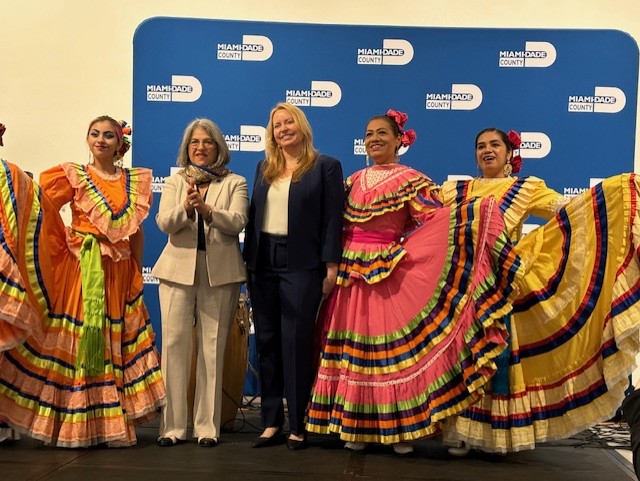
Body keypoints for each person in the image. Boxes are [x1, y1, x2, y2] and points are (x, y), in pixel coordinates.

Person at [306, 110, 524, 455]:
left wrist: (478, 216)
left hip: (387, 274)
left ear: (398, 140)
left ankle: (401, 430)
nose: (374, 139)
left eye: (381, 133)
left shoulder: (413, 180)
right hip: (350, 276)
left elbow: (436, 223)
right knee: (354, 352)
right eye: (368, 134)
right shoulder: (350, 181)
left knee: (389, 354)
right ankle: (356, 426)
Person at [439, 127, 640, 454]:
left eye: (494, 145)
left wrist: (607, 200)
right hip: (461, 281)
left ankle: (493, 432)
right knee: (462, 354)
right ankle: (461, 430)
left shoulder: (524, 188)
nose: (487, 150)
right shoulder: (455, 190)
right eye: (480, 146)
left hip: (501, 282)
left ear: (508, 154)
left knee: (496, 356)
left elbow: (565, 208)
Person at [0, 115, 165, 447]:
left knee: (111, 344)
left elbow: (136, 233)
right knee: (83, 345)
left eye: (108, 135)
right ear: (87, 139)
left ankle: (106, 423)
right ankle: (75, 423)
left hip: (117, 274)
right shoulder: (74, 175)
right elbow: (39, 206)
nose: (101, 139)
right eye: (95, 134)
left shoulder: (133, 182)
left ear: (120, 143)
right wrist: (67, 243)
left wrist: (135, 265)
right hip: (83, 271)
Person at [242, 102, 344, 450]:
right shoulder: (263, 167)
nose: (282, 129)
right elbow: (255, 217)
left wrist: (331, 265)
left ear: (301, 126)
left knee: (297, 343)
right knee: (267, 342)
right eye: (276, 125)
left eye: (288, 122)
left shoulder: (325, 167)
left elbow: (332, 220)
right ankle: (271, 421)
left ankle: (299, 424)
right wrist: (248, 263)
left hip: (302, 263)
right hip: (261, 262)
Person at [152, 118, 249, 447]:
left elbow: (237, 221)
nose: (201, 147)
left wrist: (207, 210)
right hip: (177, 272)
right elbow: (164, 222)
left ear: (218, 147)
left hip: (220, 274)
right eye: (195, 142)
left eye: (207, 142)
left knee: (212, 349)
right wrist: (185, 208)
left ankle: (207, 427)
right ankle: (173, 427)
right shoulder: (175, 181)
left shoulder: (236, 182)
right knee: (174, 348)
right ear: (187, 148)